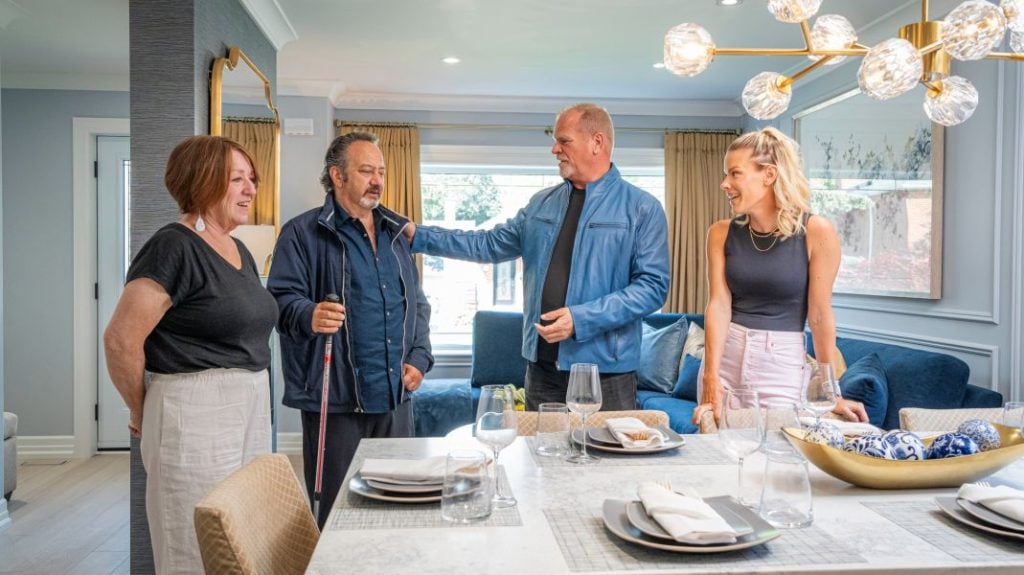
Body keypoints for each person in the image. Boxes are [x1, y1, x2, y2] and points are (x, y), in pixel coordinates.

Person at [404, 103, 670, 411]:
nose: (554, 149)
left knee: (606, 459)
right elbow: (488, 244)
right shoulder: (541, 203)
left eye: (564, 141)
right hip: (542, 371)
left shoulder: (642, 208)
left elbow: (653, 287)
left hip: (606, 375)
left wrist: (581, 319)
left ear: (597, 142)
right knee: (539, 457)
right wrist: (418, 235)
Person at [103, 136, 278, 574]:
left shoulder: (238, 250)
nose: (250, 189)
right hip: (193, 409)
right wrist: (142, 409)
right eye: (236, 179)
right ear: (202, 182)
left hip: (249, 405)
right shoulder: (173, 246)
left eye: (251, 179)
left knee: (241, 533)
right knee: (192, 541)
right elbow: (121, 340)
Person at [267, 132, 433, 528]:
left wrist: (419, 358)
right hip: (334, 399)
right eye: (366, 171)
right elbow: (278, 301)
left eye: (381, 171)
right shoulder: (302, 233)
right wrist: (308, 314)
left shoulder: (397, 235)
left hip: (395, 398)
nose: (377, 180)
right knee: (339, 512)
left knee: (398, 506)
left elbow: (418, 305)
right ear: (337, 176)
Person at [693, 127, 867, 426]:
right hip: (726, 358)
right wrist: (710, 375)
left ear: (769, 175)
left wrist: (829, 391)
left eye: (735, 174)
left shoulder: (816, 231)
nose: (725, 183)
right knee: (720, 453)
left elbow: (820, 315)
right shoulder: (720, 233)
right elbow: (719, 305)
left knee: (777, 453)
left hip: (781, 364)